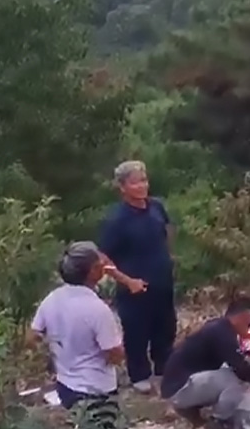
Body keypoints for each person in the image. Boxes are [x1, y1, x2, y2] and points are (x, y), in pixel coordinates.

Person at [28, 241, 137, 429]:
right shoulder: (97, 309)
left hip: (66, 386)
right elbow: (115, 354)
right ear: (93, 271)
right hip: (96, 390)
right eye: (99, 264)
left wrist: (56, 350)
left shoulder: (52, 298)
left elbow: (32, 337)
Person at [99, 160, 176, 394]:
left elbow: (167, 230)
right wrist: (127, 280)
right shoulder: (117, 219)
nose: (143, 186)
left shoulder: (156, 207)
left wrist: (168, 256)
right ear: (123, 187)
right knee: (137, 331)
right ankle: (139, 374)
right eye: (136, 182)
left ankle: (164, 367)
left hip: (162, 280)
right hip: (134, 287)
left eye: (144, 180)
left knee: (165, 326)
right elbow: (103, 258)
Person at [160, 296, 250, 429]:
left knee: (233, 374)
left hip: (175, 386)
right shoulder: (222, 333)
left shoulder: (218, 327)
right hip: (180, 388)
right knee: (235, 379)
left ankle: (194, 414)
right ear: (242, 317)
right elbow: (240, 368)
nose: (249, 328)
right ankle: (219, 421)